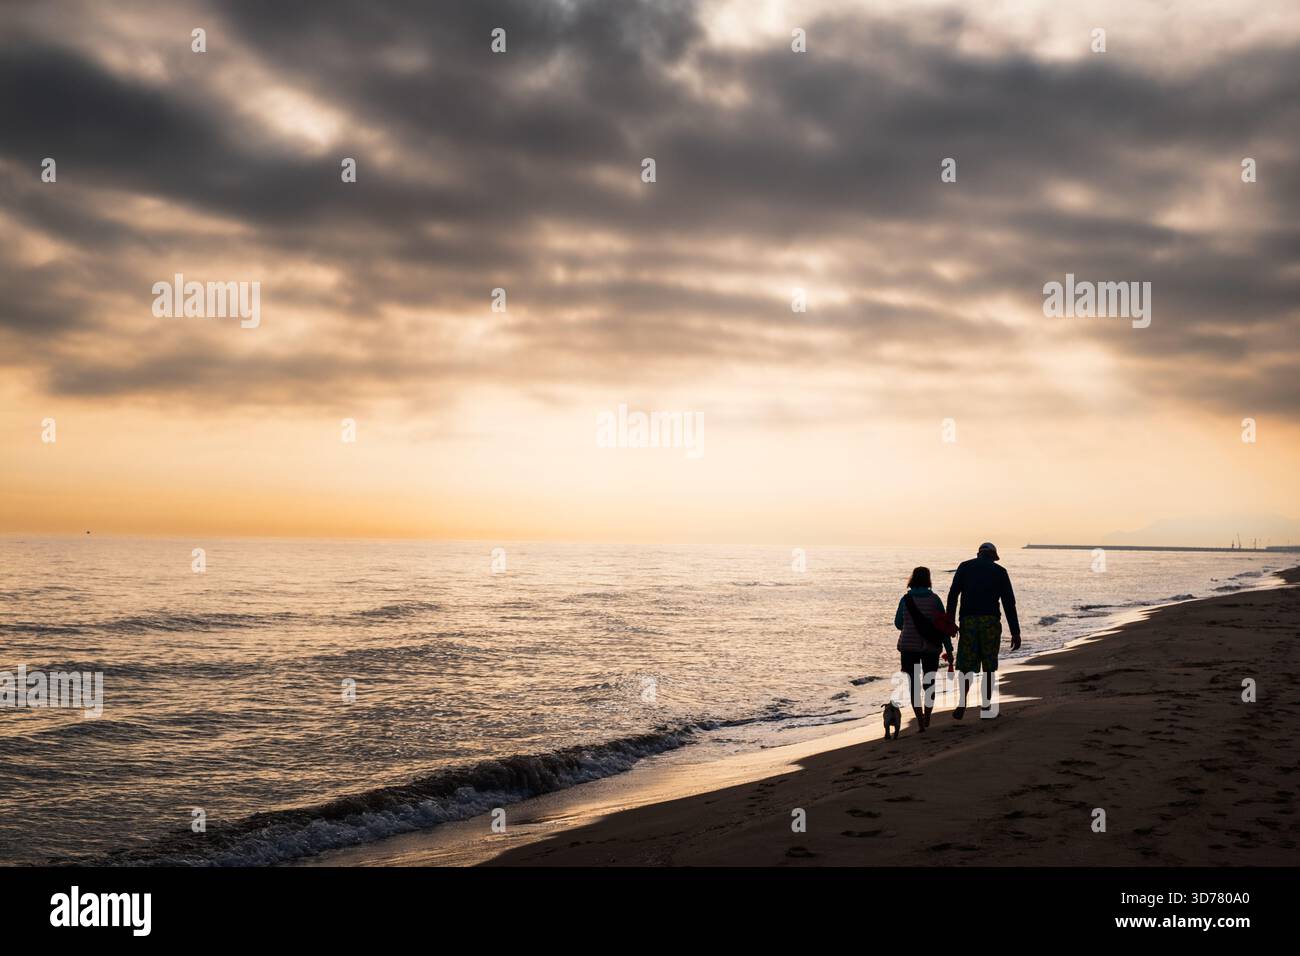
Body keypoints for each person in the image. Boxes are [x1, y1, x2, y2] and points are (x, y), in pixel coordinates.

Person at [946, 542, 1021, 718]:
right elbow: (1009, 603)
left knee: (966, 666)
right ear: (993, 556)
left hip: (968, 621)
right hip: (990, 622)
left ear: (979, 554)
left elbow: (953, 595)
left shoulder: (964, 567)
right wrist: (1015, 631)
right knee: (989, 667)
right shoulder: (1000, 572)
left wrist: (950, 621)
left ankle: (962, 703)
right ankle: (986, 707)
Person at [892, 566, 953, 731]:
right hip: (931, 647)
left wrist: (911, 625)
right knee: (929, 683)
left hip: (908, 647)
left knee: (914, 685)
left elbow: (898, 624)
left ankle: (920, 722)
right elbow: (943, 627)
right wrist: (949, 650)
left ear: (912, 579)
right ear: (928, 580)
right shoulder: (934, 600)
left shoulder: (905, 600)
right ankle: (927, 717)